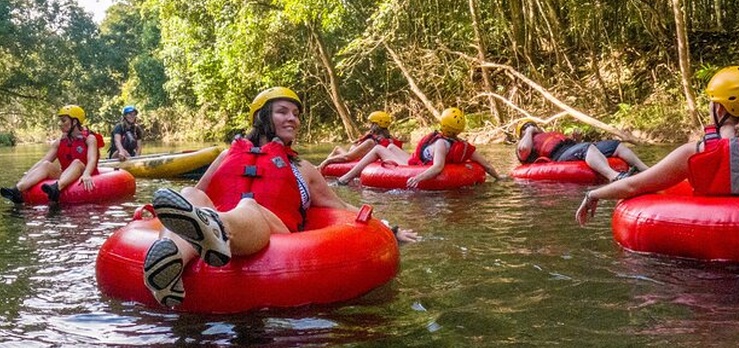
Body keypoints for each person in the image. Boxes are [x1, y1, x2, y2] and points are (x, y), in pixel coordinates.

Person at [142, 87, 419, 308]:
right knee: (189, 193)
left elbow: (342, 208)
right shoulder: (228, 156)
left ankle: (214, 231)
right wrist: (156, 217)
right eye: (283, 112)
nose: (293, 119)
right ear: (262, 117)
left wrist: (389, 229)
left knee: (249, 205)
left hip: (270, 229)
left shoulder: (302, 168)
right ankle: (170, 266)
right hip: (219, 224)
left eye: (296, 114)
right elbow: (197, 197)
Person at [575, 66, 739, 226]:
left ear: (720, 110)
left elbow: (634, 186)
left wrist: (594, 195)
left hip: (710, 242)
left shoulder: (694, 153)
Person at [336, 107, 501, 188]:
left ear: (443, 124)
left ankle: (345, 179)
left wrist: (418, 178)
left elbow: (438, 167)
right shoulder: (463, 145)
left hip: (415, 167)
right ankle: (346, 177)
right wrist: (500, 179)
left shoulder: (441, 143)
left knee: (379, 150)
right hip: (415, 161)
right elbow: (486, 165)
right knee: (392, 147)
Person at [1, 105, 104, 204]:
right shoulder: (60, 142)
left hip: (84, 173)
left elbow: (92, 160)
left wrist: (86, 174)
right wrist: (26, 176)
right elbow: (43, 161)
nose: (60, 124)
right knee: (46, 164)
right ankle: (17, 190)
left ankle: (57, 188)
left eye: (64, 120)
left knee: (76, 162)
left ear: (74, 122)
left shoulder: (90, 139)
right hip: (66, 175)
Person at [514, 119, 649, 181]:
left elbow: (572, 147)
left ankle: (645, 170)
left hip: (571, 148)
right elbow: (525, 150)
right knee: (586, 148)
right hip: (558, 156)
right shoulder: (524, 142)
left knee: (615, 145)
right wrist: (529, 131)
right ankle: (614, 176)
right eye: (526, 126)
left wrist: (576, 139)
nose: (530, 127)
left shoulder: (546, 134)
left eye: (532, 124)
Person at [318, 111, 403, 169]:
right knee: (345, 148)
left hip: (356, 159)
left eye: (371, 123)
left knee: (339, 149)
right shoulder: (391, 139)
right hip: (362, 156)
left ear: (375, 124)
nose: (369, 125)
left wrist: (327, 161)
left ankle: (322, 166)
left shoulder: (371, 142)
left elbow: (347, 157)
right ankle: (323, 167)